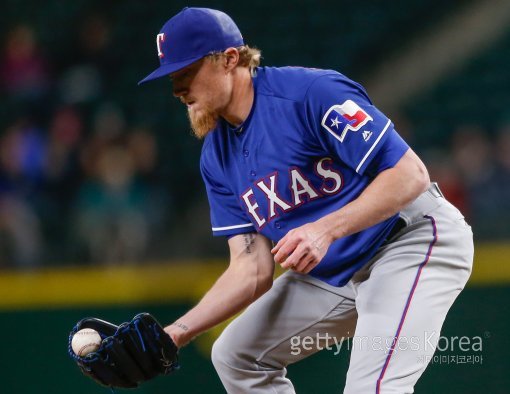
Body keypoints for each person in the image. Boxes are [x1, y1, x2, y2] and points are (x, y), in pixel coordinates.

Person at [139, 7, 474, 393]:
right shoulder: (216, 157)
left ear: (229, 59)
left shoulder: (309, 94)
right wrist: (174, 334)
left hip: (409, 240)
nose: (177, 89)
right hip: (339, 273)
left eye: (186, 72)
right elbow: (251, 267)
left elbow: (410, 174)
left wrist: (324, 230)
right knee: (235, 355)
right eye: (171, 77)